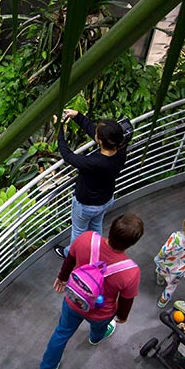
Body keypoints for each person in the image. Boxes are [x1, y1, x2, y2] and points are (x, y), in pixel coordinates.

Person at [37, 213, 144, 369]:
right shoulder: (130, 272)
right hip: (101, 312)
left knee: (62, 332)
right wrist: (122, 316)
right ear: (132, 243)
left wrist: (62, 277)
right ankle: (95, 338)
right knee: (99, 327)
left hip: (73, 300)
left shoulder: (87, 239)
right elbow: (126, 299)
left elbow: (70, 259)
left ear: (111, 229)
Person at [52, 108, 129, 258]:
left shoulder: (94, 162)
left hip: (86, 205)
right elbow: (98, 133)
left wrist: (59, 130)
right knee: (96, 227)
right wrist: (77, 117)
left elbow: (67, 155)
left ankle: (70, 255)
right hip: (105, 200)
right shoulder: (120, 149)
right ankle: (96, 249)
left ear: (99, 141)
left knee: (78, 232)